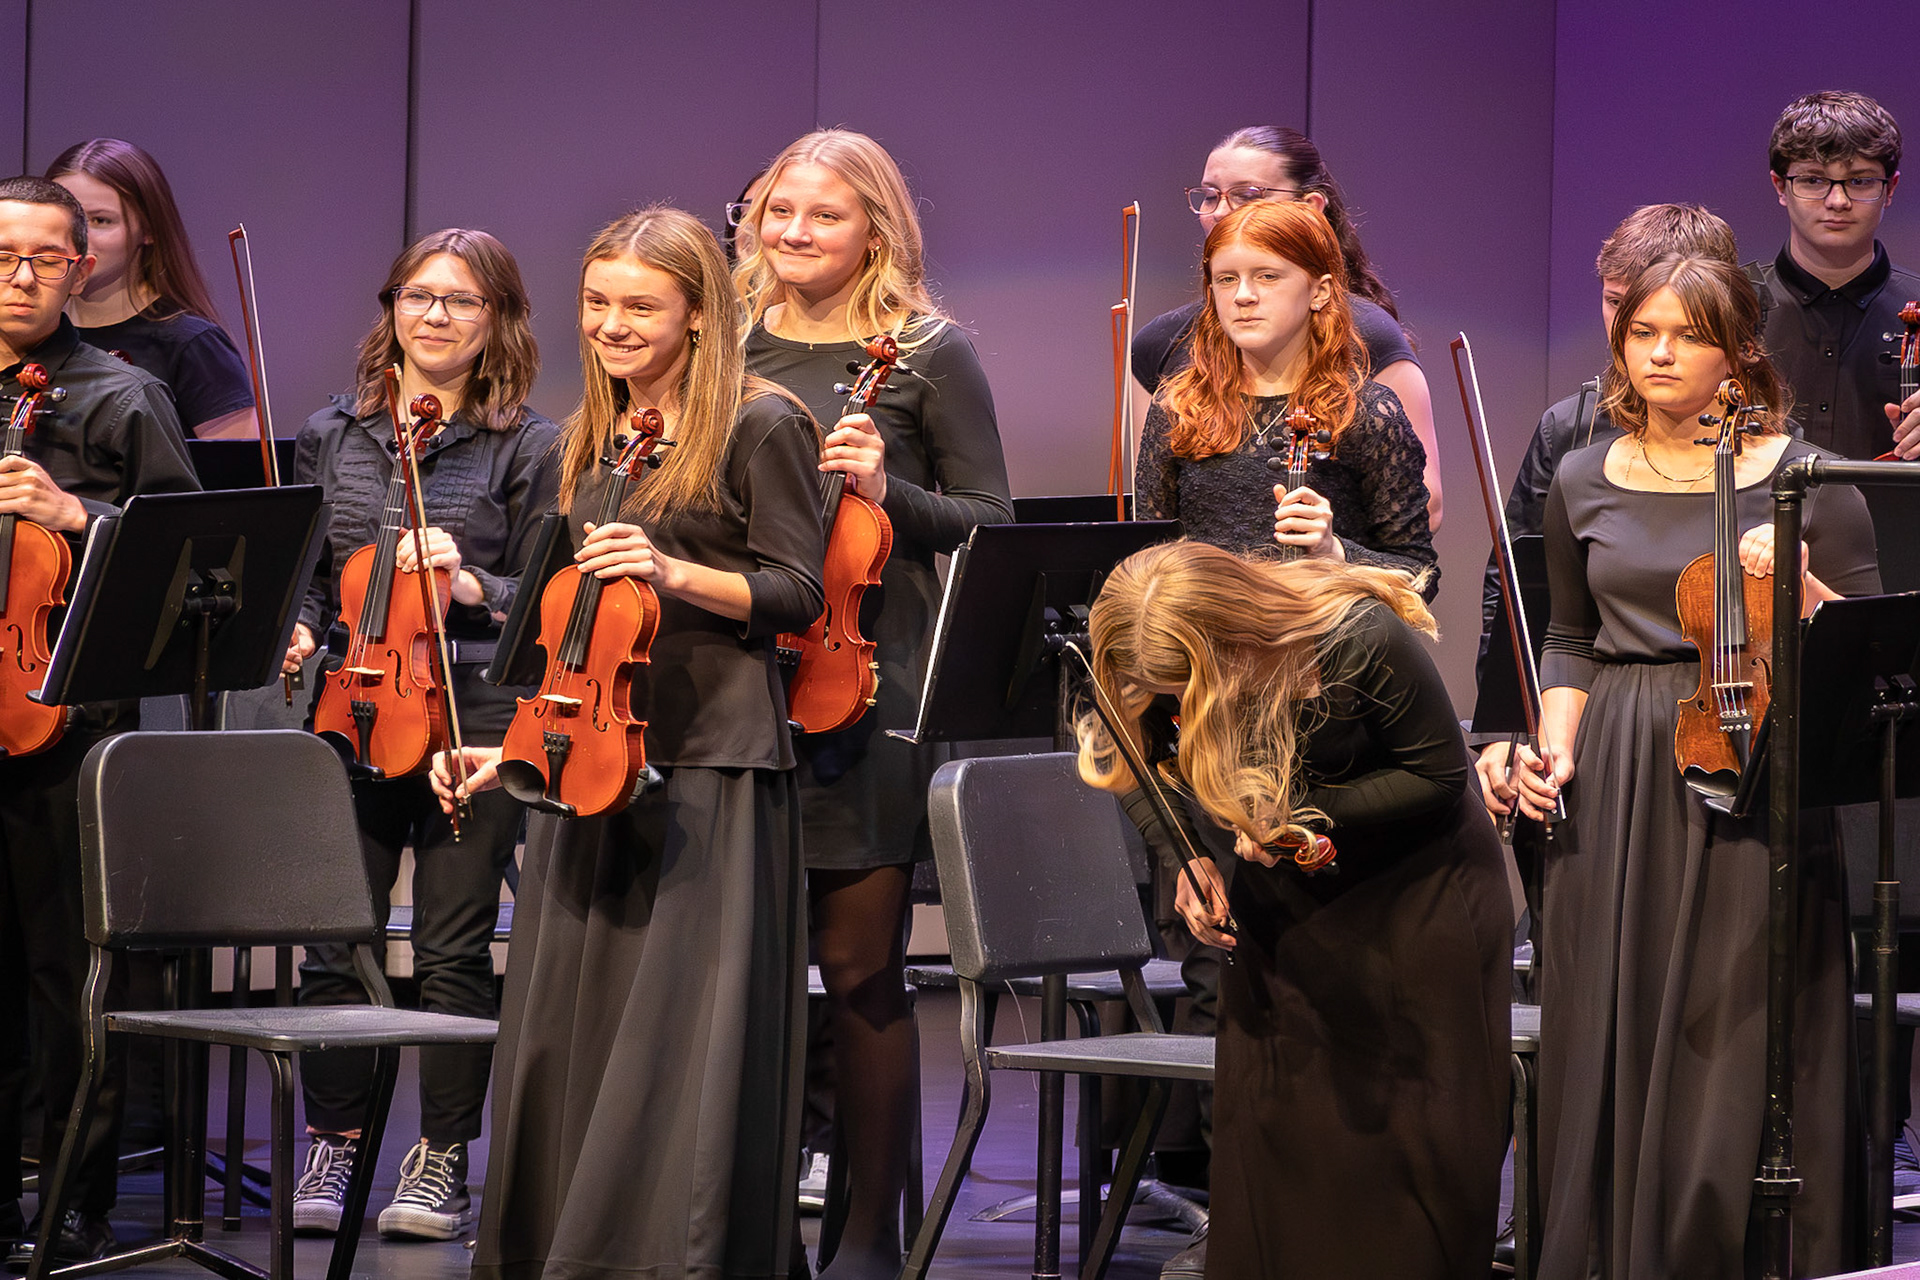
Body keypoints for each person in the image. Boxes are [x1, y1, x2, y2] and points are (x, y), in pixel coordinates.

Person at [435, 205, 824, 1280]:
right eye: (597, 303)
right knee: (569, 1027)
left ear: (699, 313)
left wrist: (672, 569)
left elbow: (798, 592)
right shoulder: (591, 435)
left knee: (679, 1037)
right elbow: (567, 623)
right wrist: (515, 749)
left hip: (710, 753)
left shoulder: (761, 423)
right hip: (590, 761)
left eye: (640, 306)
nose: (612, 325)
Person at [1512, 254, 1880, 1279]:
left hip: (1754, 761)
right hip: (1617, 773)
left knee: (1736, 1030)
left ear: (1739, 350)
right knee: (1610, 1023)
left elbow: (1867, 652)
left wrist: (1800, 586)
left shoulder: (1808, 477)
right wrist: (1554, 744)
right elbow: (1570, 636)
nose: (1662, 353)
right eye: (1643, 333)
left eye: (1689, 335)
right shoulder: (1583, 475)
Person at [1075, 540, 1512, 1279]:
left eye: (1186, 687)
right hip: (1284, 904)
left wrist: (1295, 815)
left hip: (1417, 896)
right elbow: (1133, 760)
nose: (1180, 707)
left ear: (1231, 636)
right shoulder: (1145, 661)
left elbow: (1438, 773)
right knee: (1277, 1150)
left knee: (1407, 1156)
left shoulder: (1357, 636)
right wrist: (1189, 855)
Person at [735, 128, 1013, 1279]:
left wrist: (886, 491)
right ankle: (747, 1234)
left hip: (864, 683)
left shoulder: (929, 352)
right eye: (780, 211)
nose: (795, 232)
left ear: (876, 232)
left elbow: (990, 520)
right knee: (745, 981)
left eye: (826, 214)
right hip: (736, 680)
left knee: (859, 972)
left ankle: (866, 1239)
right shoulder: (722, 340)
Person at [276, 229, 557, 1242]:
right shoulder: (334, 431)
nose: (435, 315)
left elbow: (548, 595)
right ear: (390, 307)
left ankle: (442, 1156)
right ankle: (334, 1138)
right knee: (332, 938)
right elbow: (315, 569)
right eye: (417, 295)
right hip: (352, 701)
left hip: (470, 710)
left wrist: (473, 582)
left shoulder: (530, 445)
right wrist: (301, 624)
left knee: (450, 945)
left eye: (462, 300)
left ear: (498, 319)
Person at [0, 175, 198, 1268]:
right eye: (2, 256)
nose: (21, 277)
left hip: (64, 725)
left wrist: (80, 514)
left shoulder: (123, 395)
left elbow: (192, 562)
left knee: (65, 975)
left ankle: (73, 1194)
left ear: (80, 269)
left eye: (45, 258)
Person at [1472, 205, 1739, 936]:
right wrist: (1505, 732)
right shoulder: (1572, 428)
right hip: (1580, 725)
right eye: (1618, 307)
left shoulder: (1760, 443)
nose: (1636, 340)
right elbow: (1520, 588)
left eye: (1676, 323)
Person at [1132, 125, 1442, 528]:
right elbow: (1149, 516)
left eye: (1247, 194)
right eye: (1210, 195)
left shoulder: (1370, 336)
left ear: (1311, 207)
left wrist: (1326, 547)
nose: (1221, 212)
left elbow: (1424, 509)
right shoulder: (1161, 344)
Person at [1745, 93, 1920, 463]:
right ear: (1780, 186)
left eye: (1860, 182)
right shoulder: (1727, 308)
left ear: (1890, 189)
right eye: (1813, 180)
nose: (1838, 201)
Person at [46, 139, 256, 440]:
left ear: (149, 230)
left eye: (100, 220)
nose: (78, 238)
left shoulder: (192, 344)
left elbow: (236, 468)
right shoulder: (30, 331)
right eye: (68, 219)